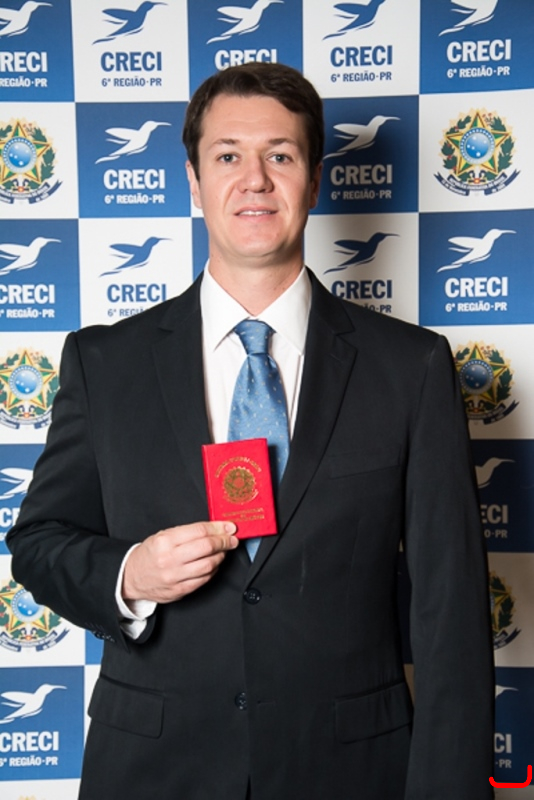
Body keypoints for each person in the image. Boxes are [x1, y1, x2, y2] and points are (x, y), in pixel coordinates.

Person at [7, 62, 494, 800]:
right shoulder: (103, 362)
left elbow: (450, 606)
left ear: (315, 180)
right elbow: (39, 542)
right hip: (153, 771)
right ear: (195, 181)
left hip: (350, 772)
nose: (255, 180)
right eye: (228, 155)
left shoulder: (411, 366)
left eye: (281, 155)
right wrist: (129, 575)